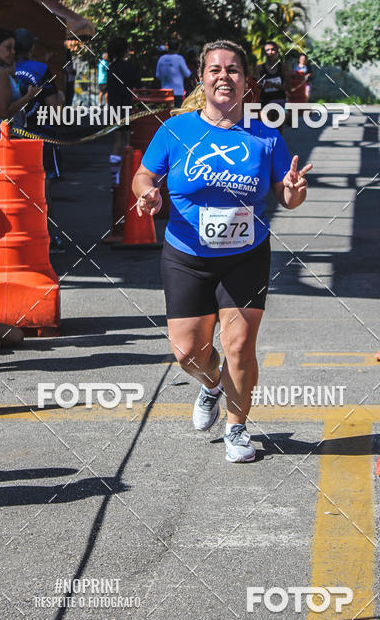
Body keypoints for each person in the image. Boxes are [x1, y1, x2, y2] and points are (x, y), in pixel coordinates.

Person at [132, 40, 312, 463]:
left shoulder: (266, 136)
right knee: (187, 352)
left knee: (239, 345)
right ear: (202, 78)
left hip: (246, 255)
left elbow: (286, 196)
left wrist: (294, 192)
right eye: (215, 69)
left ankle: (237, 427)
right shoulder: (176, 130)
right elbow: (144, 174)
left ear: (247, 83)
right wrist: (148, 194)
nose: (224, 77)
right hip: (186, 254)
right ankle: (212, 383)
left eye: (233, 70)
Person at [13, 28, 66, 254]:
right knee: (43, 189)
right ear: (32, 48)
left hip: (10, 135)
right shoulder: (40, 69)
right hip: (40, 135)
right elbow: (56, 110)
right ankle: (45, 236)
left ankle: (18, 234)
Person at [107, 36, 142, 186]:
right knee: (128, 141)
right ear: (125, 50)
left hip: (114, 107)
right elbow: (137, 86)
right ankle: (126, 176)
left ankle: (114, 177)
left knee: (116, 141)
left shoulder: (111, 67)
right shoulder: (130, 67)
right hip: (128, 106)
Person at [155, 34, 192, 110]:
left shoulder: (162, 59)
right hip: (177, 93)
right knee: (177, 114)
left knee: (165, 115)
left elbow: (158, 75)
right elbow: (187, 74)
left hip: (165, 93)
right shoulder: (179, 59)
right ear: (178, 47)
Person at [257, 41, 290, 108]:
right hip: (265, 103)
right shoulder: (260, 68)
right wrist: (263, 85)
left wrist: (274, 85)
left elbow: (288, 87)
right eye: (267, 50)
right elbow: (256, 86)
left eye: (273, 49)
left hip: (280, 102)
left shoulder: (283, 67)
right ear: (264, 53)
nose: (270, 52)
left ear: (277, 51)